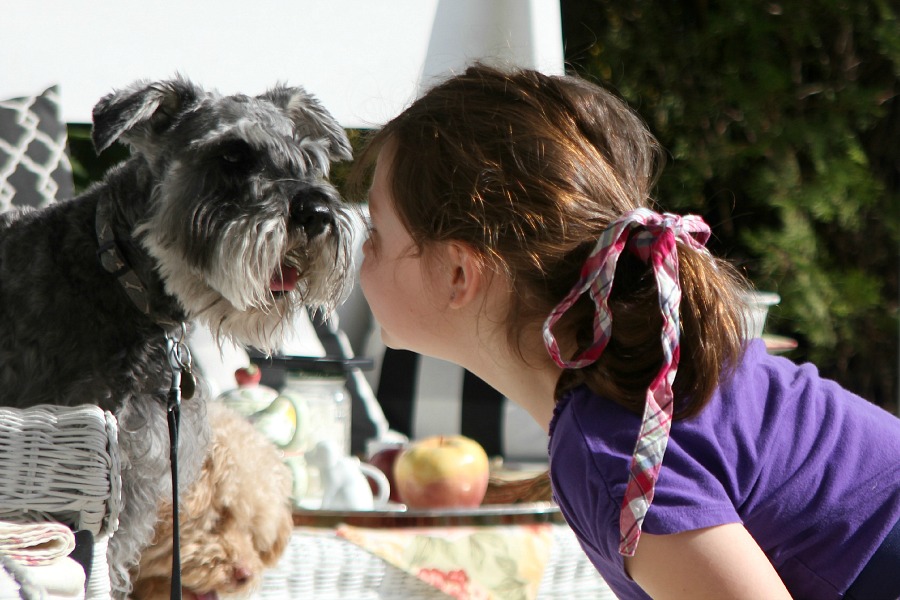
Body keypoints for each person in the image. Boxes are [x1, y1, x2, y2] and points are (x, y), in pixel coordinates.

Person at [349, 63, 900, 599]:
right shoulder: (638, 382)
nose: (360, 250)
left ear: (458, 273)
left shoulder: (609, 442)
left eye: (376, 229)